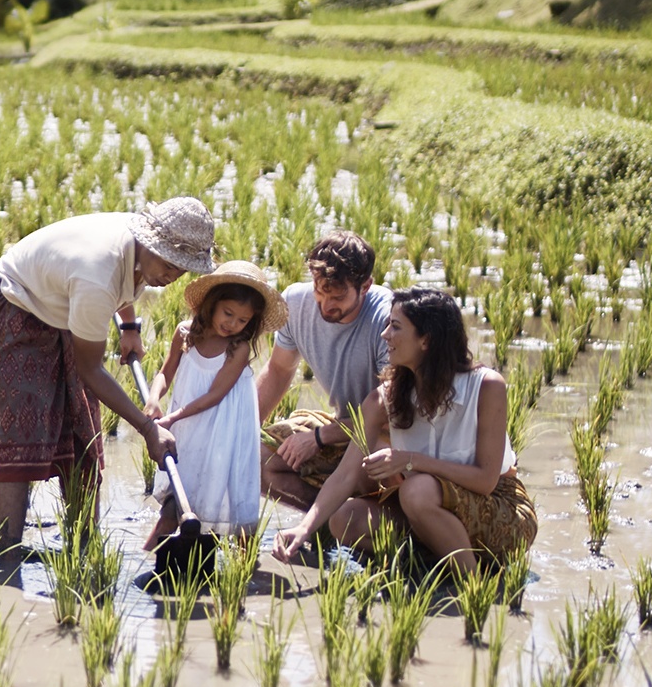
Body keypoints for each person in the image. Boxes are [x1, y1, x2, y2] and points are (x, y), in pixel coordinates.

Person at [0, 196, 217, 561]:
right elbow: (90, 368)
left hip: (62, 309)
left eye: (181, 269)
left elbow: (124, 278)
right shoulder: (96, 273)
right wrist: (148, 429)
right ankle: (7, 555)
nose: (170, 276)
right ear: (148, 242)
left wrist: (129, 326)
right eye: (167, 263)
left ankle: (83, 547)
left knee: (82, 431)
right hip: (14, 311)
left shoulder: (134, 251)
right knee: (18, 437)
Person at [269, 286, 537, 577]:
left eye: (395, 327)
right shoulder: (383, 399)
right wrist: (304, 528)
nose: (385, 335)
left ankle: (473, 583)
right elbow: (345, 476)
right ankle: (431, 565)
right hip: (423, 509)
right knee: (345, 519)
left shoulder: (486, 386)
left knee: (416, 489)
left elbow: (485, 481)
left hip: (500, 509)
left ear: (426, 340)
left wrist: (411, 460)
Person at [141, 260, 285, 546]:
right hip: (188, 427)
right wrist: (154, 399)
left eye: (242, 320)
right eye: (228, 313)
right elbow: (165, 371)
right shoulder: (186, 333)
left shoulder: (238, 348)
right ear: (212, 304)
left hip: (224, 431)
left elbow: (215, 395)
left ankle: (244, 568)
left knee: (227, 495)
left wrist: (172, 418)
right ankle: (148, 556)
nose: (232, 324)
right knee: (175, 501)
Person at [257, 231, 392, 511]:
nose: (326, 306)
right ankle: (325, 525)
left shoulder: (388, 320)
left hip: (386, 435)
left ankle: (363, 522)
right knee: (256, 460)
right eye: (320, 291)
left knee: (373, 464)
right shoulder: (294, 303)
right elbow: (279, 371)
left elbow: (389, 416)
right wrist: (241, 430)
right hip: (341, 424)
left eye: (338, 297)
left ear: (365, 286)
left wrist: (319, 438)